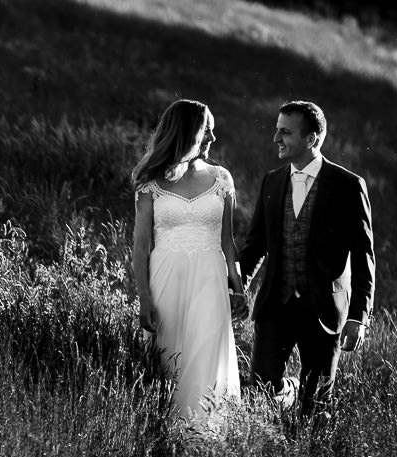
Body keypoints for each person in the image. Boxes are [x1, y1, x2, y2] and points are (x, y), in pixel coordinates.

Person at [237, 100, 375, 420]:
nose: (276, 139)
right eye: (276, 131)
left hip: (323, 309)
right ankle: (290, 390)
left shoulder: (349, 186)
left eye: (285, 132)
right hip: (276, 304)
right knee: (261, 386)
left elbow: (364, 254)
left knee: (316, 407)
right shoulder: (271, 181)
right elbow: (256, 245)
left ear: (311, 139)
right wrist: (236, 286)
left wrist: (359, 317)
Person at [130, 98, 244, 423]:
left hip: (210, 280)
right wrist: (144, 298)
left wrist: (237, 286)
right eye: (207, 131)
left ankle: (204, 437)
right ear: (189, 134)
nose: (213, 139)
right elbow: (140, 247)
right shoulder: (150, 184)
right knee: (168, 361)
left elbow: (227, 241)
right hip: (166, 279)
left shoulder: (222, 179)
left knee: (206, 357)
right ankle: (168, 434)